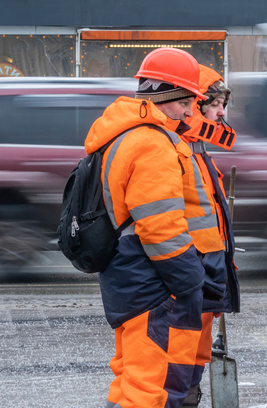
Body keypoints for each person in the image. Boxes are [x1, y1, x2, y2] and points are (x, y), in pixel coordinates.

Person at [85, 48, 220, 408]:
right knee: (152, 391)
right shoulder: (152, 142)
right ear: (164, 95)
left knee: (132, 382)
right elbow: (160, 227)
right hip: (153, 286)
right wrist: (190, 278)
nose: (191, 111)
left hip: (130, 279)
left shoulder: (124, 135)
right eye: (186, 102)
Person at [179, 65, 240, 406]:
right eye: (216, 104)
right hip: (191, 272)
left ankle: (189, 398)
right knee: (180, 360)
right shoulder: (181, 149)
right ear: (196, 103)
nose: (222, 113)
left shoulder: (199, 149)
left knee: (195, 358)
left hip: (204, 271)